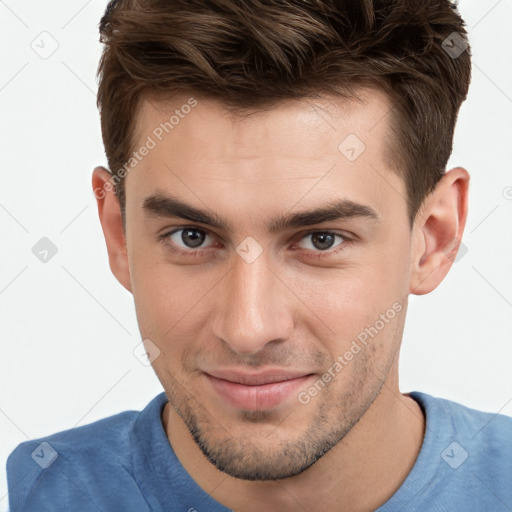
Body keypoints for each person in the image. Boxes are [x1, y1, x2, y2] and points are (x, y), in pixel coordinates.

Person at [6, 0, 512, 511]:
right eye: (191, 237)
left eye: (321, 239)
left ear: (433, 237)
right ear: (119, 234)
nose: (248, 328)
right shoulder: (44, 491)